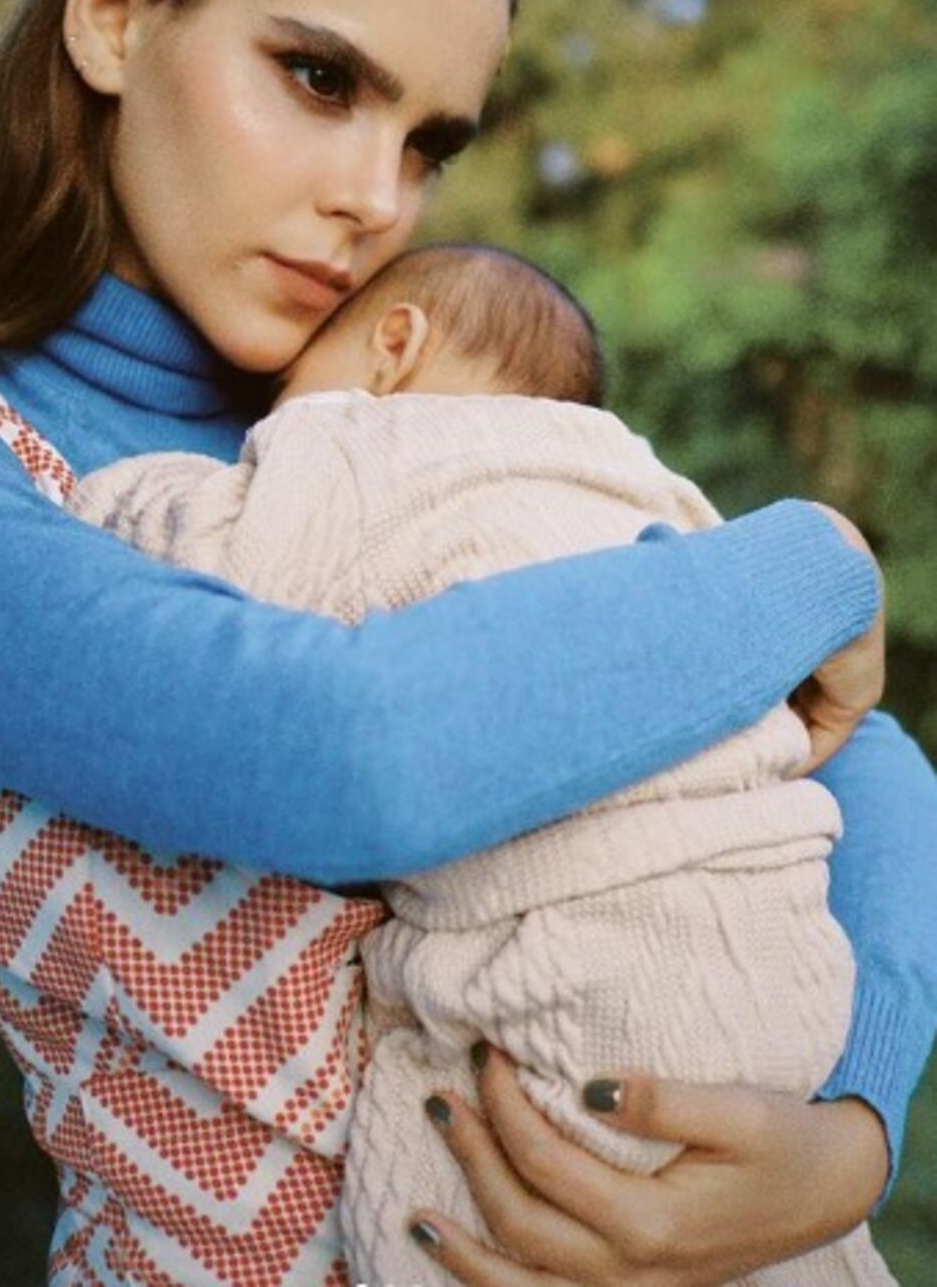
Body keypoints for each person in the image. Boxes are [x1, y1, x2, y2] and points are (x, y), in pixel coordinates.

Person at [0, 0, 932, 1287]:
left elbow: (854, 749)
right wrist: (816, 557)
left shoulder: (405, 415)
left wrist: (851, 1129)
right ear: (112, 17)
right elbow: (360, 760)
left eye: (432, 140)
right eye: (320, 77)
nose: (378, 196)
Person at [68, 240, 896, 1286]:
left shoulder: (360, 441)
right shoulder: (648, 482)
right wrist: (826, 551)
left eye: (283, 391)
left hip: (573, 958)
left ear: (393, 347)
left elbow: (225, 553)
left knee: (459, 1187)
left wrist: (116, 494)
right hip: (788, 960)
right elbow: (812, 704)